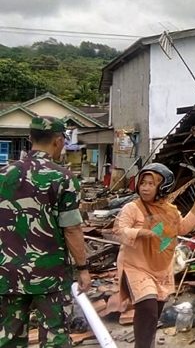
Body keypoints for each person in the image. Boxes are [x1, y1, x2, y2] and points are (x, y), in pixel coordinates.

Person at [0, 116, 90, 347]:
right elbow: (71, 229)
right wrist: (83, 268)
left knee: (8, 337)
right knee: (55, 337)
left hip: (7, 273)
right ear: (59, 141)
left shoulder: (3, 175)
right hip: (50, 275)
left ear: (30, 138)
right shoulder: (63, 178)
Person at [112, 163, 195, 347]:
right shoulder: (132, 208)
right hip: (136, 266)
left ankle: (147, 343)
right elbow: (118, 230)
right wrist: (140, 233)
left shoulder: (170, 210)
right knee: (148, 309)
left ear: (163, 187)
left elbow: (182, 229)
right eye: (143, 183)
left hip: (161, 268)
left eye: (151, 184)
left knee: (154, 314)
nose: (145, 188)